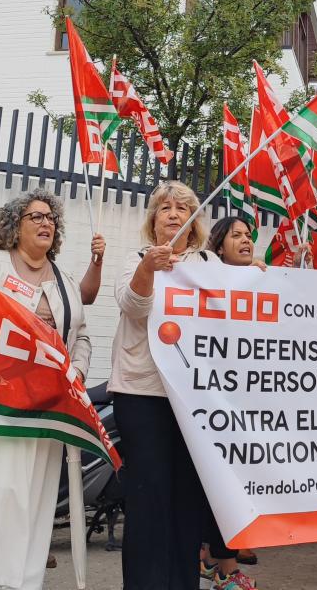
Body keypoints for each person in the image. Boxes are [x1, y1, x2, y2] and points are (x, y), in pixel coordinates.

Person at [0, 189, 96, 588]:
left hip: (49, 406)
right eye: (35, 216)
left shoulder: (64, 281)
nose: (46, 222)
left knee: (38, 502)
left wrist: (77, 371)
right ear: (14, 226)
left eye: (51, 218)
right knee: (3, 496)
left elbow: (80, 336)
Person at [110, 181, 217, 590]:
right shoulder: (135, 260)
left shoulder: (210, 265)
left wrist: (257, 273)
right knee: (148, 495)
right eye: (164, 208)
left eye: (182, 208)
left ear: (193, 224)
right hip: (143, 395)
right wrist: (148, 269)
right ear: (153, 221)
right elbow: (132, 306)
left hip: (193, 398)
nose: (173, 214)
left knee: (188, 496)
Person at [198, 215, 265, 590]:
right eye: (236, 235)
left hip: (247, 404)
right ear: (219, 245)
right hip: (211, 401)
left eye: (248, 236)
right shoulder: (203, 276)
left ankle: (217, 563)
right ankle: (222, 569)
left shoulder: (261, 277)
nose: (245, 241)